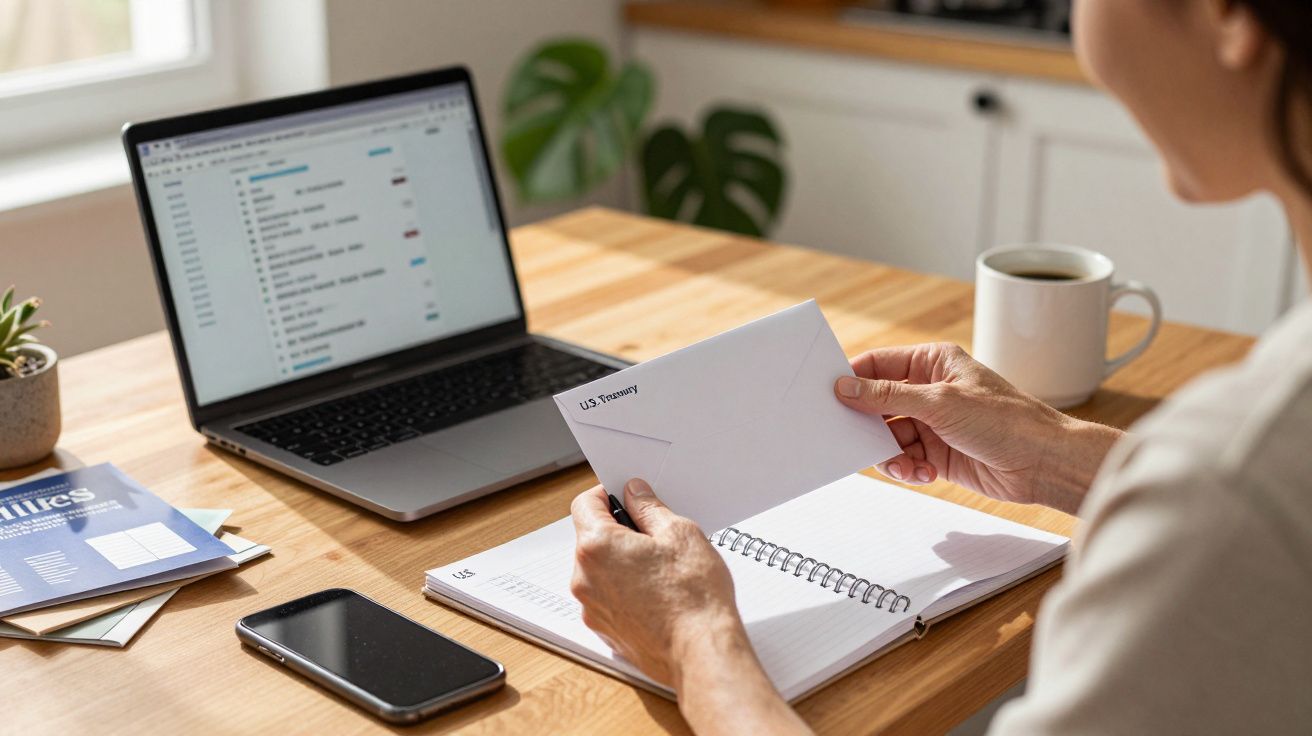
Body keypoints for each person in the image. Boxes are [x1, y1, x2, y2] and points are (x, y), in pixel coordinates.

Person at [568, 1, 1312, 733]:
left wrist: (694, 642)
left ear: (1228, 17)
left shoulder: (1230, 484)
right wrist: (1054, 456)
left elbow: (1238, 504)